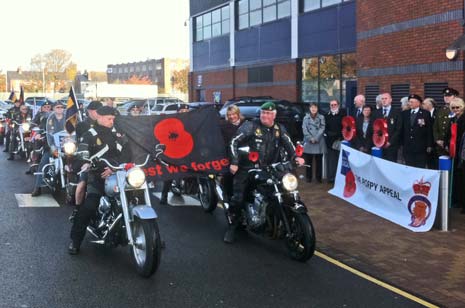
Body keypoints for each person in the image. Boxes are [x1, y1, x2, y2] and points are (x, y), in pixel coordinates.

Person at [225, 102, 304, 243]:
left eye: (268, 113)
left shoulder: (279, 128)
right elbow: (233, 142)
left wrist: (296, 157)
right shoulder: (251, 126)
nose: (264, 116)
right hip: (248, 167)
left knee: (286, 190)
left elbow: (289, 144)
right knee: (238, 197)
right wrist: (235, 162)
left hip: (270, 167)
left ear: (274, 115)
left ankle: (280, 222)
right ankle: (233, 225)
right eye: (262, 113)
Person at [69, 106, 130, 254]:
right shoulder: (89, 135)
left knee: (137, 198)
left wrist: (114, 167)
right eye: (109, 119)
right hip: (97, 176)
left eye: (113, 119)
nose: (111, 122)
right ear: (100, 118)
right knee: (89, 206)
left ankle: (151, 236)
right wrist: (85, 163)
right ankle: (75, 241)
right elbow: (81, 155)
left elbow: (128, 154)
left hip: (119, 174)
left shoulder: (120, 134)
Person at [69, 100, 103, 217]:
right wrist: (85, 161)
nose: (98, 113)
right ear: (89, 111)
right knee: (82, 183)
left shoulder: (104, 123)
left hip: (103, 159)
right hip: (87, 158)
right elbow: (82, 143)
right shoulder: (82, 125)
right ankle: (77, 209)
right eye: (96, 111)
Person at [31, 101, 66, 196]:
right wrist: (38, 133)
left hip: (66, 146)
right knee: (44, 162)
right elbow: (42, 127)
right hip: (52, 145)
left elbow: (75, 129)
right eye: (57, 107)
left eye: (61, 107)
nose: (60, 109)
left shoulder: (68, 118)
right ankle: (37, 187)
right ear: (53, 109)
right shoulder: (47, 118)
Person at [160, 104, 190, 205]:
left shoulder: (193, 122)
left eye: (186, 111)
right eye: (182, 111)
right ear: (178, 112)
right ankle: (164, 195)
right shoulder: (173, 122)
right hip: (174, 150)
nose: (184, 113)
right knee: (170, 173)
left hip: (189, 150)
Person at [401, 94, 433, 168]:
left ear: (418, 103)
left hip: (421, 147)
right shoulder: (404, 113)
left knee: (420, 167)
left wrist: (429, 145)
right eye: (409, 102)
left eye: (412, 102)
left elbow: (429, 130)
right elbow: (402, 129)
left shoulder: (425, 113)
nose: (410, 103)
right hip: (407, 146)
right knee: (409, 166)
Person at [220, 104, 245, 197]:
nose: (231, 116)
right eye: (229, 114)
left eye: (233, 114)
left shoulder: (246, 124)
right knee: (228, 177)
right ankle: (228, 197)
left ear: (238, 114)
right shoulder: (224, 126)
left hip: (245, 155)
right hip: (229, 154)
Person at [445, 97, 465, 213]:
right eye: (453, 108)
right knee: (457, 177)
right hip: (454, 151)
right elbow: (449, 133)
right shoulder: (452, 119)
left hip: (462, 151)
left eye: (457, 107)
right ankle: (457, 200)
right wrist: (448, 144)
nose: (455, 110)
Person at [373, 93, 402, 163]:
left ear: (391, 100)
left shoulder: (397, 112)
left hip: (391, 146)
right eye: (382, 99)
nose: (384, 100)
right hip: (379, 144)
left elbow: (398, 129)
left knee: (390, 166)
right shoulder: (376, 112)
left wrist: (390, 142)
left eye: (386, 98)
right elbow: (373, 128)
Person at [302, 102, 326, 183]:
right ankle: (309, 177)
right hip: (309, 141)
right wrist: (310, 138)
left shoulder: (321, 117)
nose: (313, 109)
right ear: (309, 108)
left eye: (315, 107)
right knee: (309, 160)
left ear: (317, 108)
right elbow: (304, 129)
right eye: (312, 107)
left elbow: (322, 127)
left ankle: (318, 178)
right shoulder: (305, 118)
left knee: (319, 161)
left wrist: (316, 138)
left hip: (318, 140)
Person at [324, 99, 346, 183]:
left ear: (338, 105)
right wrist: (329, 134)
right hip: (330, 142)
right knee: (330, 160)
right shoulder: (326, 115)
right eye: (331, 105)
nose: (333, 106)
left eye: (335, 104)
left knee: (339, 160)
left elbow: (345, 127)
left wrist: (339, 136)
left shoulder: (343, 115)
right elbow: (325, 128)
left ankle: (339, 178)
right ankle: (331, 177)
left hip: (340, 140)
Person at [434, 87, 459, 157]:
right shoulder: (440, 110)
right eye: (445, 96)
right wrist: (437, 139)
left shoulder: (458, 109)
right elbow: (435, 127)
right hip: (440, 145)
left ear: (455, 97)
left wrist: (449, 143)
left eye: (449, 96)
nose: (446, 98)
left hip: (453, 145)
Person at [422, 98, 438, 169]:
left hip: (436, 143)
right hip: (426, 142)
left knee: (436, 163)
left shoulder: (438, 113)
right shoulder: (422, 114)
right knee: (429, 163)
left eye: (424, 104)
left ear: (430, 104)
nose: (422, 105)